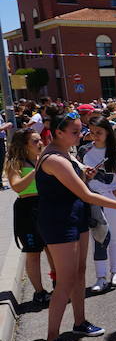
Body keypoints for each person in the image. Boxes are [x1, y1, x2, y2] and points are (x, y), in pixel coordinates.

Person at [36, 113, 116, 341]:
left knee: (78, 274)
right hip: (59, 222)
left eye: (80, 131)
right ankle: (51, 339)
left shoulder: (68, 154)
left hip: (76, 218)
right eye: (75, 132)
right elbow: (85, 195)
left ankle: (80, 323)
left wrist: (83, 173)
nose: (82, 135)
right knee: (65, 281)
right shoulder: (55, 158)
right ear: (58, 133)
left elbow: (78, 186)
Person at [79, 116, 116, 292]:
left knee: (114, 237)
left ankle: (115, 272)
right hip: (93, 198)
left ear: (108, 132)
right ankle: (100, 277)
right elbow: (79, 176)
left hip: (114, 198)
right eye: (92, 132)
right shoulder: (84, 150)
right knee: (98, 237)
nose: (95, 135)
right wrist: (86, 177)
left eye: (99, 132)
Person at [6, 129, 54, 304]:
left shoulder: (46, 160)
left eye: (40, 139)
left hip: (47, 206)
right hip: (27, 209)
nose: (40, 143)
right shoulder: (16, 163)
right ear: (24, 145)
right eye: (35, 141)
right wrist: (36, 170)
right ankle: (39, 292)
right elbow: (17, 187)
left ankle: (58, 284)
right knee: (33, 253)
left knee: (53, 248)